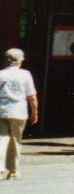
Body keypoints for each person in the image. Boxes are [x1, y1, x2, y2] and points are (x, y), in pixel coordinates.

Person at [0, 48, 39, 180]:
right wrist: (35, 112)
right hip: (18, 110)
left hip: (1, 110)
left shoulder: (0, 74)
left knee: (2, 138)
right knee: (16, 140)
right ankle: (14, 170)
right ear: (19, 61)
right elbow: (32, 96)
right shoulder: (25, 74)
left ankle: (0, 166)